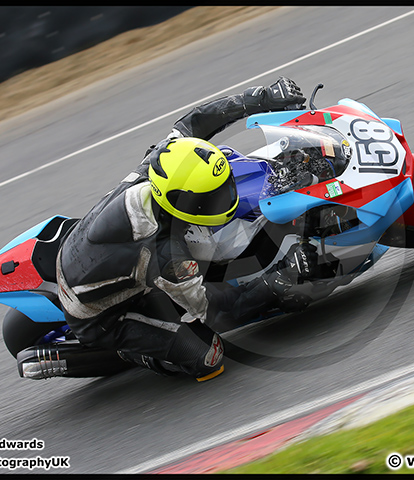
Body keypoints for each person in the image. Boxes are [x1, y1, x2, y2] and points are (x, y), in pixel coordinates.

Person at [51, 77, 319, 382]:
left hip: (92, 255)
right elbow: (214, 310)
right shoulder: (168, 255)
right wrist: (275, 282)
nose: (224, 199)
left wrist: (262, 98)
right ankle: (126, 351)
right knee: (209, 356)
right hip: (99, 315)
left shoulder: (161, 164)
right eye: (211, 198)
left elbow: (197, 121)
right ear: (180, 203)